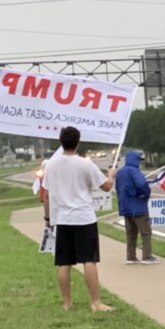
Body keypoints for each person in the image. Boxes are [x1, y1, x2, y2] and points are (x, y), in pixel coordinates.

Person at [42, 126, 117, 312]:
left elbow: (47, 194)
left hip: (62, 218)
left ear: (61, 141)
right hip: (83, 217)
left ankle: (67, 303)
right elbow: (106, 187)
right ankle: (95, 302)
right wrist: (111, 174)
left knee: (64, 262)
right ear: (78, 142)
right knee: (89, 260)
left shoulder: (51, 165)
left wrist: (48, 217)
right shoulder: (85, 164)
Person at [115, 150, 157, 265]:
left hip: (125, 207)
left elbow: (118, 189)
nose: (140, 162)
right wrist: (145, 194)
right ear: (135, 159)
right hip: (138, 206)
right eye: (139, 159)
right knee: (146, 232)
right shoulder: (134, 171)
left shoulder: (120, 172)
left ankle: (131, 256)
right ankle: (147, 256)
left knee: (131, 233)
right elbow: (141, 185)